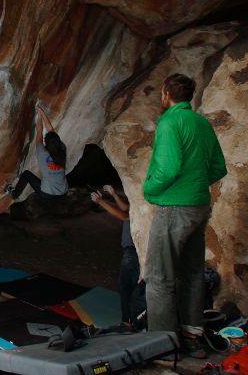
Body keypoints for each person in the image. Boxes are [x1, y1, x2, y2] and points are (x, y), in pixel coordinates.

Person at [143, 74, 227, 359]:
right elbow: (218, 167)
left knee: (159, 278)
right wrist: (196, 186)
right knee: (191, 274)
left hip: (173, 208)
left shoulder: (169, 122)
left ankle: (162, 346)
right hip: (199, 206)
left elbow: (168, 168)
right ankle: (193, 336)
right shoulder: (201, 122)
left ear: (166, 94)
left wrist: (149, 190)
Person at [91, 185, 145, 328]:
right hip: (134, 252)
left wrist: (101, 201)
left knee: (127, 287)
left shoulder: (142, 208)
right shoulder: (139, 205)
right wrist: (114, 194)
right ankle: (134, 320)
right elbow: (126, 208)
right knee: (132, 287)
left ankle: (129, 322)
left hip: (133, 253)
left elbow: (123, 216)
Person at [6, 104, 68, 204]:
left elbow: (40, 131)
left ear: (46, 143)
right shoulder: (62, 150)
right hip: (63, 193)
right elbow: (52, 132)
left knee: (26, 174)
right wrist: (42, 114)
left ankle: (15, 194)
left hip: (47, 195)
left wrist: (40, 116)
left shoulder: (42, 153)